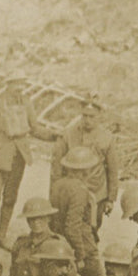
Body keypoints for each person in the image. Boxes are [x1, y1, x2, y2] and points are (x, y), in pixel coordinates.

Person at [0, 72, 39, 242]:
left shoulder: (27, 103)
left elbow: (34, 127)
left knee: (10, 197)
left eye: (22, 84)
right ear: (8, 84)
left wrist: (54, 136)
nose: (19, 88)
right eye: (16, 84)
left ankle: (2, 235)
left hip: (19, 157)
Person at [51, 95, 120, 233]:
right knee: (66, 226)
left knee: (91, 229)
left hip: (96, 192)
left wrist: (111, 199)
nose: (87, 120)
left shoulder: (107, 137)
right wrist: (54, 192)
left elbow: (112, 170)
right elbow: (57, 165)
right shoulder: (69, 134)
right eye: (85, 116)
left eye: (92, 116)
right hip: (71, 190)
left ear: (99, 116)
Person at [49, 147, 105, 276]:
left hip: (60, 242)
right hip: (82, 245)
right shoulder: (80, 190)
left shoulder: (57, 185)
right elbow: (72, 227)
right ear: (85, 171)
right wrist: (80, 255)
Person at [5, 196, 58, 276]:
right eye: (32, 219)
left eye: (41, 218)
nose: (35, 222)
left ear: (48, 218)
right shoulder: (20, 244)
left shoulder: (57, 244)